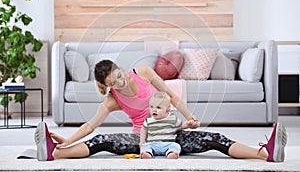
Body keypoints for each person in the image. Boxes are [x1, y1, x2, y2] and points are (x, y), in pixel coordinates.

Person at [34, 59, 287, 162]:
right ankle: (54, 153)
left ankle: (265, 154)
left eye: (119, 77)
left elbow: (171, 96)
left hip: (171, 134)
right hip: (142, 139)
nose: (119, 83)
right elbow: (90, 127)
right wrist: (66, 141)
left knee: (214, 138)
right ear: (107, 85)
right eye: (113, 83)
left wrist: (190, 118)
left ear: (121, 69)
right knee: (103, 140)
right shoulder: (112, 100)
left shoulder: (143, 72)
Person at [139, 92, 189, 159]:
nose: (154, 110)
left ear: (167, 110)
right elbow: (144, 129)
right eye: (151, 107)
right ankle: (147, 153)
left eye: (158, 107)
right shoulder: (149, 119)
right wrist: (142, 140)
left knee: (176, 146)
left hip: (167, 144)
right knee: (145, 146)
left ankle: (171, 153)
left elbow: (181, 125)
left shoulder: (172, 118)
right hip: (153, 144)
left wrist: (188, 124)